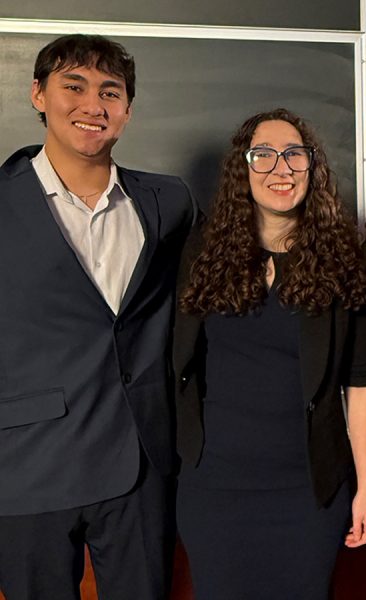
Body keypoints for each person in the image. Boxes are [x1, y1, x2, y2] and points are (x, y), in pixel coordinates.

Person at [0, 34, 195, 600]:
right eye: (74, 86)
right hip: (26, 468)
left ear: (128, 110)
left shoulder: (169, 203)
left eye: (111, 92)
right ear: (38, 94)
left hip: (142, 464)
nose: (94, 105)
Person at [174, 108, 366, 599]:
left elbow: (363, 379)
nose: (280, 169)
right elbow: (177, 363)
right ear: (242, 170)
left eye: (294, 155)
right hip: (214, 489)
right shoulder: (201, 250)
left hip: (307, 491)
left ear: (313, 167)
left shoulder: (345, 256)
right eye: (262, 155)